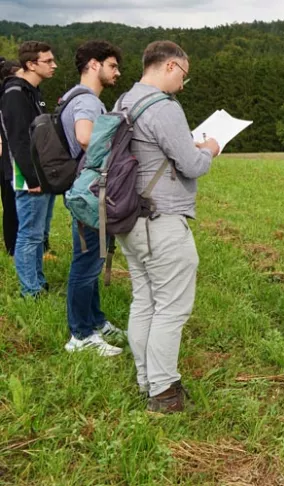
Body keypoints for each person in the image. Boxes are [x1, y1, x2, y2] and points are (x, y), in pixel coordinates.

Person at [115, 41, 220, 413]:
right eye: (184, 76)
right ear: (172, 66)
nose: (183, 84)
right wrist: (210, 148)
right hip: (161, 220)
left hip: (127, 217)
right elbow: (192, 165)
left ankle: (147, 380)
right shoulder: (164, 107)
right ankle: (163, 392)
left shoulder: (124, 102)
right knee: (171, 309)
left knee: (144, 301)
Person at [61, 40, 127, 356]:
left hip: (83, 193)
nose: (118, 72)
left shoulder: (77, 97)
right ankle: (81, 335)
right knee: (86, 264)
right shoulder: (87, 102)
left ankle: (96, 322)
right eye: (112, 65)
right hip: (88, 196)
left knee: (91, 259)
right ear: (92, 64)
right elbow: (85, 137)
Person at [2, 41, 56, 297]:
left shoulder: (32, 92)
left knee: (39, 233)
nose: (54, 65)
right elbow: (18, 141)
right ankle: (30, 290)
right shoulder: (15, 94)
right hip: (28, 175)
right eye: (48, 61)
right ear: (30, 64)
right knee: (30, 233)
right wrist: (32, 178)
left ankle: (38, 281)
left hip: (41, 173)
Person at [0, 56, 21, 257]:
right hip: (11, 159)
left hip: (14, 158)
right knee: (11, 202)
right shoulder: (10, 94)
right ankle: (12, 247)